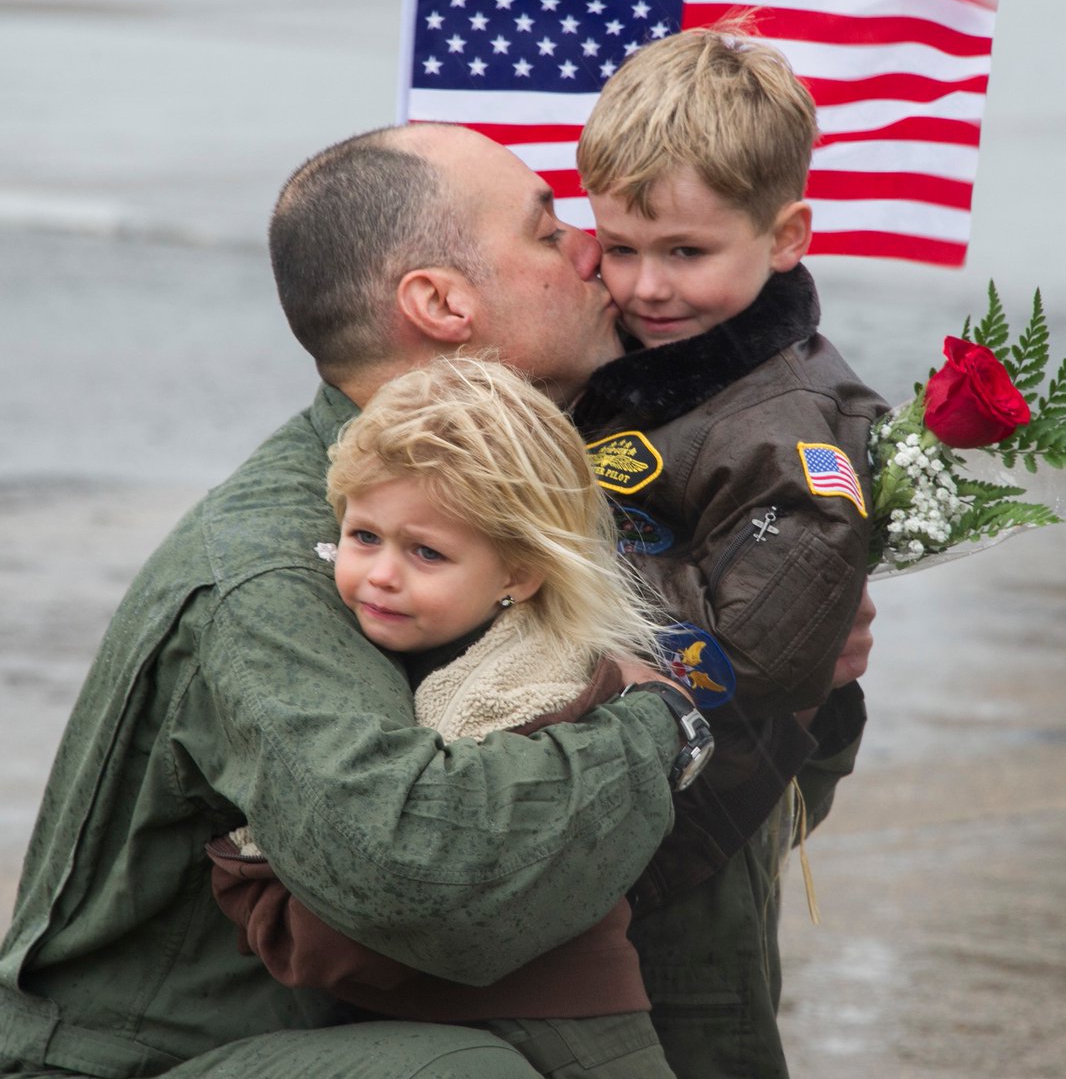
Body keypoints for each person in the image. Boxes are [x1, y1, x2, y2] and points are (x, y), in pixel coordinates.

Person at [0, 121, 871, 1078]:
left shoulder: (539, 502)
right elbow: (420, 878)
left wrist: (796, 684)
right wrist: (674, 714)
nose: (598, 251)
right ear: (441, 303)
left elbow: (694, 841)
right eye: (548, 233)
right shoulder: (282, 564)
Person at [208, 353, 687, 1077]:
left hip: (558, 1035)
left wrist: (256, 889)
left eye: (426, 553)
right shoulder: (423, 646)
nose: (381, 575)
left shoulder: (529, 690)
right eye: (363, 536)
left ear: (520, 573)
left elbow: (383, 915)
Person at [570, 25, 889, 1076]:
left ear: (785, 233)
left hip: (714, 814)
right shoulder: (642, 362)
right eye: (620, 248)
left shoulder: (795, 425)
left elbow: (760, 655)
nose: (647, 288)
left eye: (686, 253)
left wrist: (551, 542)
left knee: (702, 1042)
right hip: (623, 781)